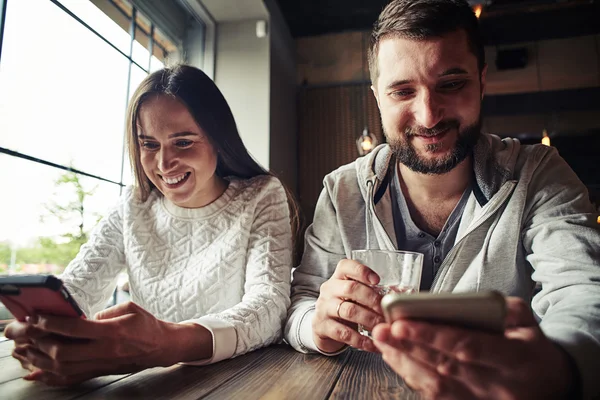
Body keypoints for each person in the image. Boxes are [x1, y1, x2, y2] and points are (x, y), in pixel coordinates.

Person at [284, 1, 600, 398]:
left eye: (451, 85)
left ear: (482, 82)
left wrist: (561, 366)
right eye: (402, 91)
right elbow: (302, 301)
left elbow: (584, 292)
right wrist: (316, 325)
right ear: (378, 98)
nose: (429, 116)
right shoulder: (341, 190)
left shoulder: (538, 174)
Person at [6, 64, 296, 386]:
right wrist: (44, 328)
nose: (163, 164)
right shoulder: (133, 205)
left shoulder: (261, 196)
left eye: (183, 142)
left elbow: (269, 308)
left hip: (241, 381)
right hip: (150, 385)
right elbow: (77, 287)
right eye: (149, 144)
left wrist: (167, 343)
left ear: (218, 139)